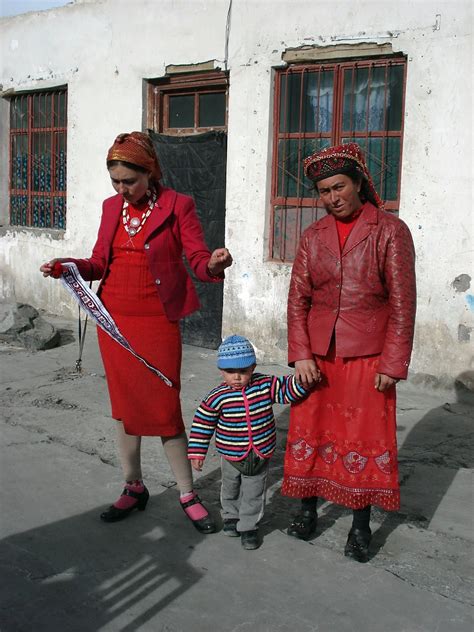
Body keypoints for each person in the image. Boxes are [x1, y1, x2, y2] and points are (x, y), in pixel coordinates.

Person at [40, 131, 233, 533]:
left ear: (150, 172)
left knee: (164, 408)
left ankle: (186, 493)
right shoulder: (111, 209)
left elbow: (197, 259)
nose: (122, 189)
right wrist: (67, 265)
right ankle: (133, 486)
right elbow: (96, 263)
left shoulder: (179, 206)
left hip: (157, 323)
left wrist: (213, 266)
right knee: (125, 409)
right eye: (116, 181)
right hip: (116, 323)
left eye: (130, 180)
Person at [282, 142, 416, 562]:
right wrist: (301, 353)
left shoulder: (390, 231)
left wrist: (393, 363)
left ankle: (360, 525)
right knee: (313, 433)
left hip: (369, 357)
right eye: (324, 191)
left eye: (339, 186)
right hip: (318, 357)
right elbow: (297, 299)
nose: (332, 197)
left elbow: (402, 303)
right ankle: (306, 511)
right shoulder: (312, 235)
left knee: (361, 440)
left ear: (359, 183)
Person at [187, 335, 310, 550]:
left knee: (254, 493)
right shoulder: (216, 397)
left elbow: (288, 390)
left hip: (260, 452)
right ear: (221, 371)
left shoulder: (264, 385)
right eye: (230, 372)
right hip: (231, 456)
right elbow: (202, 425)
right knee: (231, 488)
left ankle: (248, 527)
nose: (237, 377)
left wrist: (304, 380)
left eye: (243, 371)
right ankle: (231, 518)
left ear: (253, 368)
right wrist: (197, 452)